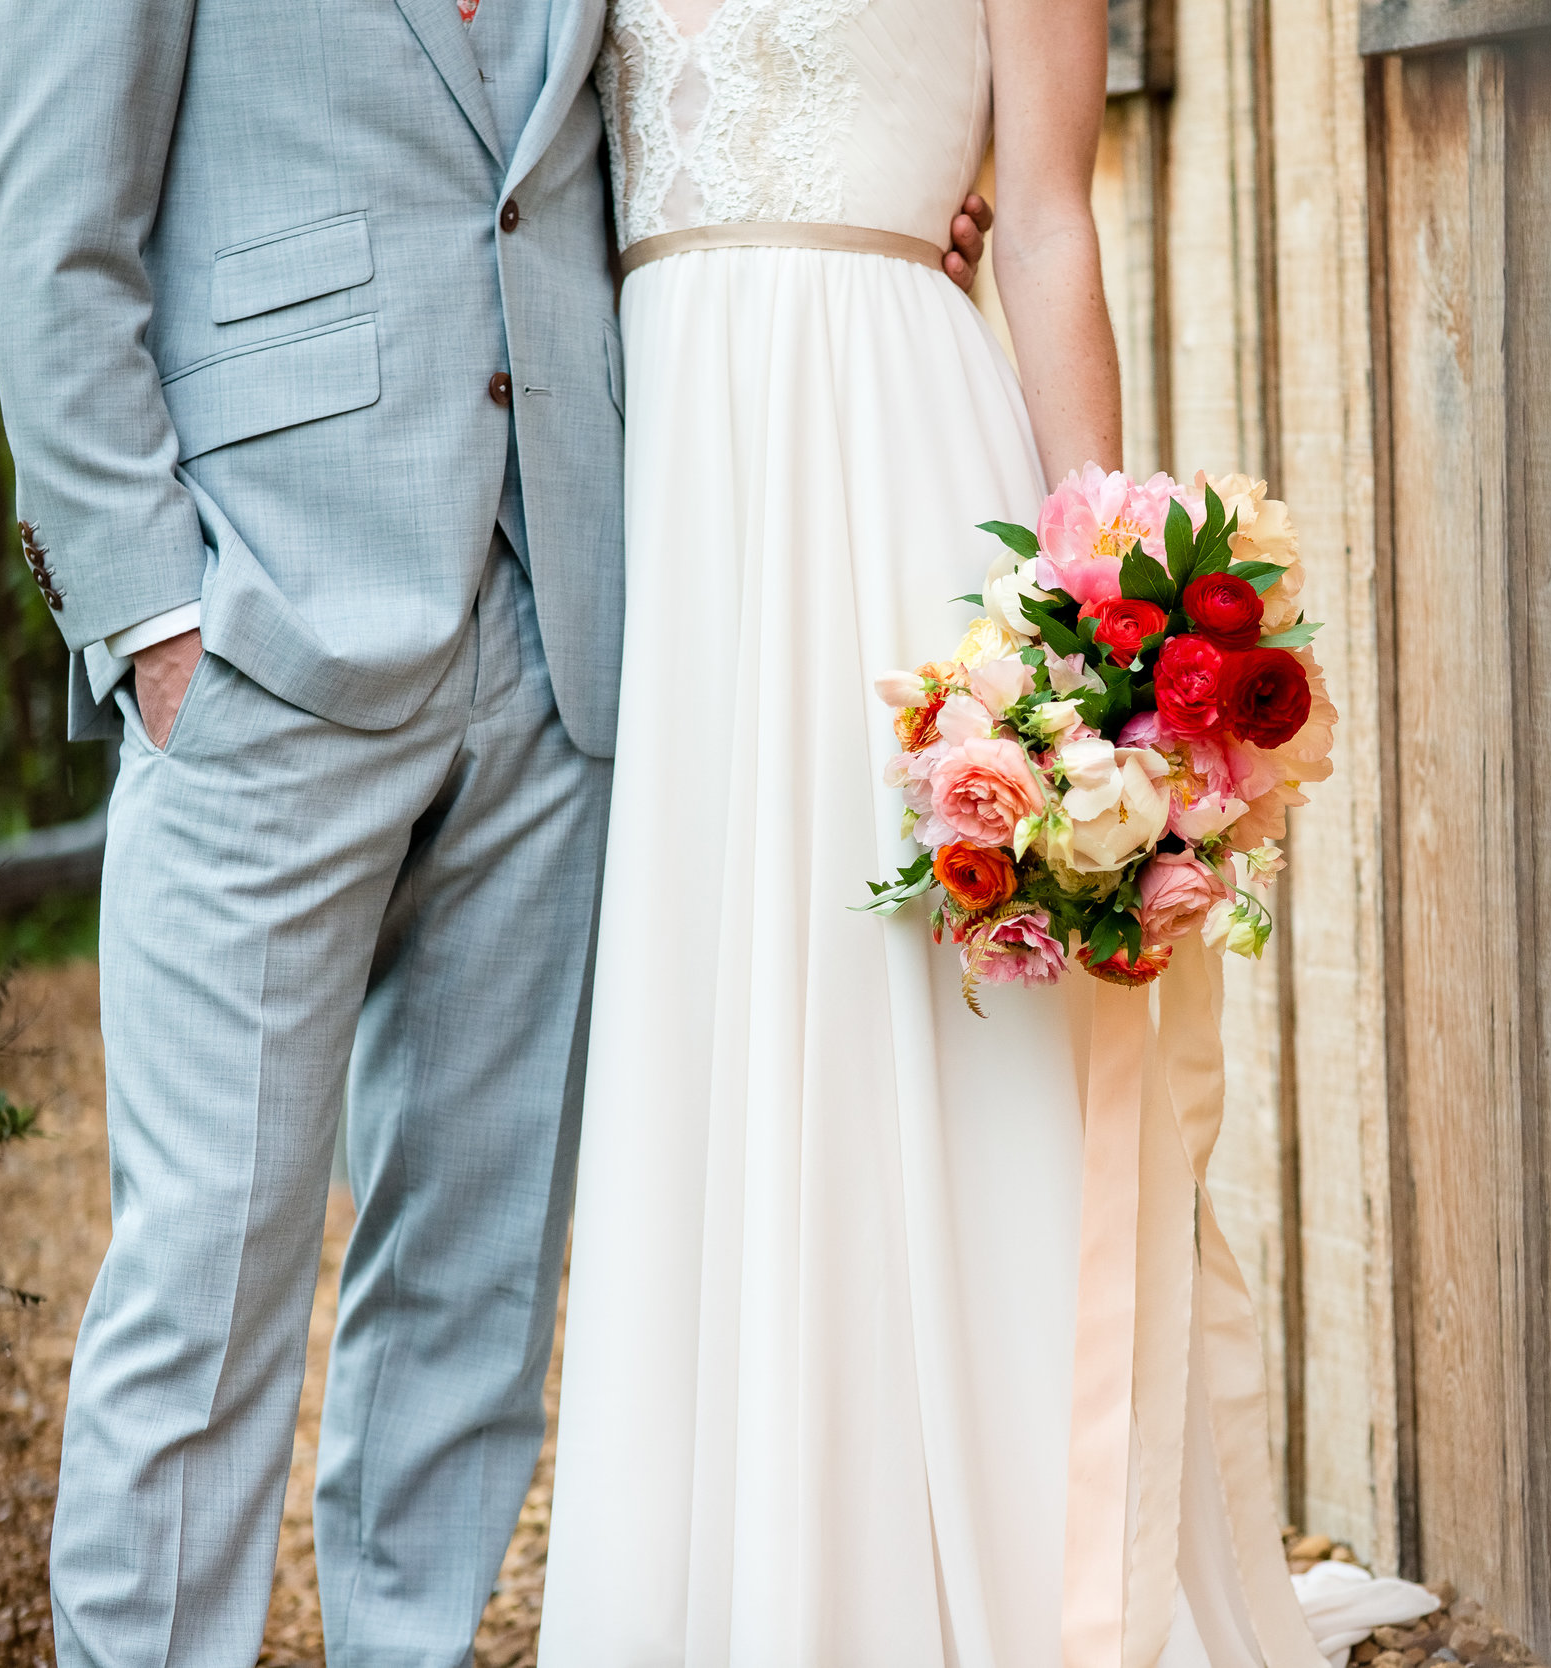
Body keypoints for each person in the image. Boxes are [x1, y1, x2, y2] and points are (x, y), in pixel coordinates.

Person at [0, 1, 985, 1661]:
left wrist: (897, 177)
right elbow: (47, 227)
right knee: (204, 1285)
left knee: (473, 1285)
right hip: (259, 640)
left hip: (558, 625)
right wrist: (150, 616)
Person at [538, 2, 1322, 1662]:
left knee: (942, 1031)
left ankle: (1005, 1579)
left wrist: (1108, 623)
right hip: (667, 479)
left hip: (889, 452)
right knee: (718, 1023)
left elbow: (1041, 215)